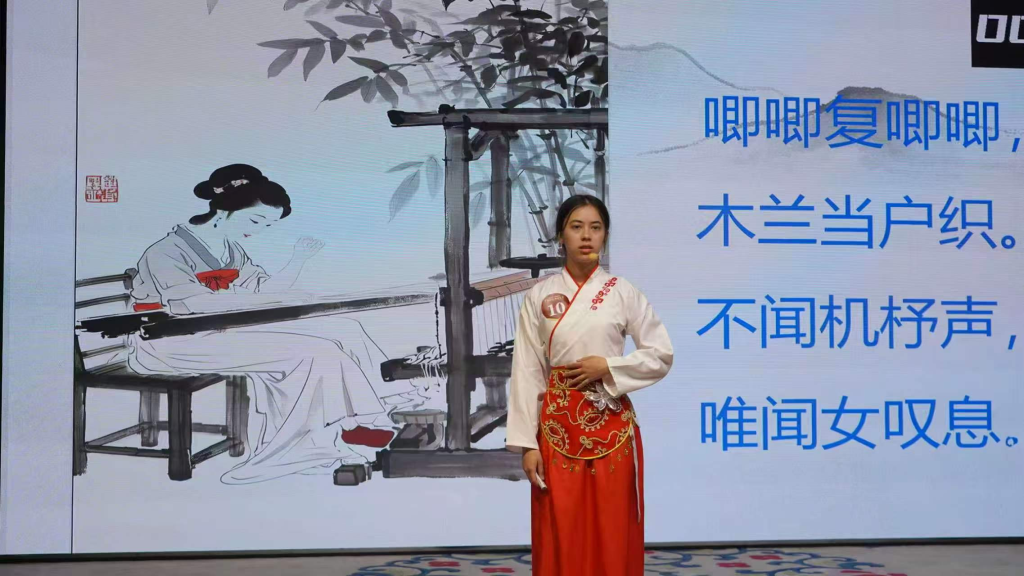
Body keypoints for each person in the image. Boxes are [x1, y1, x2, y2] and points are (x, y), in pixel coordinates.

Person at [127, 163, 406, 484]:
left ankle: (362, 418)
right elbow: (195, 304)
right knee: (313, 353)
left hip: (217, 332)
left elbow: (262, 289)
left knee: (344, 329)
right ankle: (298, 449)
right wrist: (267, 299)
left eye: (268, 225)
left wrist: (297, 261)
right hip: (169, 341)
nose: (259, 230)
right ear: (225, 208)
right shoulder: (166, 251)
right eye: (256, 220)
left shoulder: (231, 249)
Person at [505, 195, 674, 575]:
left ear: (605, 236)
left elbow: (661, 354)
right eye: (576, 227)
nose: (586, 236)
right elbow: (528, 368)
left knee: (611, 525)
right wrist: (527, 444)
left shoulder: (623, 292)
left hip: (610, 422)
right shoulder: (539, 296)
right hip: (556, 427)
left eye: (595, 228)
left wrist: (609, 366)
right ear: (560, 236)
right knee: (561, 525)